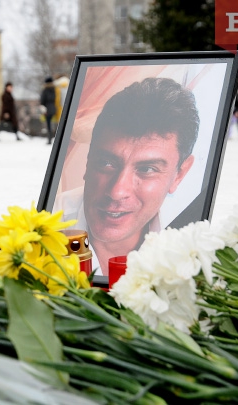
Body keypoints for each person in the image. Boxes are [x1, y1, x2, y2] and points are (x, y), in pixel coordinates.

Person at [54, 77, 199, 273]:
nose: (117, 192)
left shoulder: (195, 250)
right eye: (106, 163)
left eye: (147, 169)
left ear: (179, 175)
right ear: (88, 160)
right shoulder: (41, 226)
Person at [40, 76, 57, 144]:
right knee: (55, 123)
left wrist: (43, 109)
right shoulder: (55, 89)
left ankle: (49, 139)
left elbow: (42, 100)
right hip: (54, 108)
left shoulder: (45, 90)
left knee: (48, 124)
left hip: (47, 109)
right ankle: (56, 137)